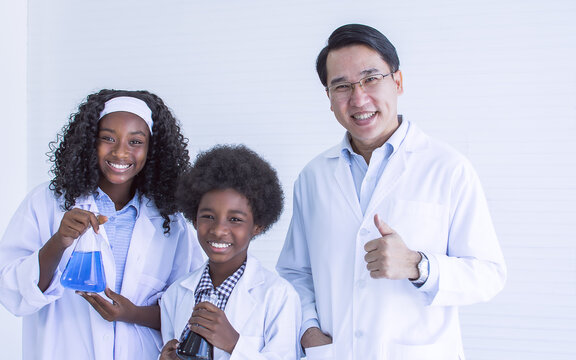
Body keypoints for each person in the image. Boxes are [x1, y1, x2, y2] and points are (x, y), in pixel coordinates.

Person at [276, 24, 507, 359]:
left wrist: (418, 265)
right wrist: (308, 330)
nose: (358, 98)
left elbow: (489, 274)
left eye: (371, 79)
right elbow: (295, 272)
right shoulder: (313, 177)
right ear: (329, 98)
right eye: (341, 86)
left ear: (397, 82)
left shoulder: (448, 168)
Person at [0, 89, 204, 359]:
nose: (120, 152)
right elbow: (12, 292)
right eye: (108, 138)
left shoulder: (170, 221)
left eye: (135, 142)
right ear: (88, 143)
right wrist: (59, 242)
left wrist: (133, 314)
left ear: (152, 150)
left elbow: (188, 310)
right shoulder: (47, 202)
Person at [159, 144, 301, 360]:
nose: (218, 230)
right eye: (208, 216)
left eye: (235, 219)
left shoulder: (279, 296)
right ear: (194, 219)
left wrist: (234, 343)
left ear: (258, 225)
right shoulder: (176, 294)